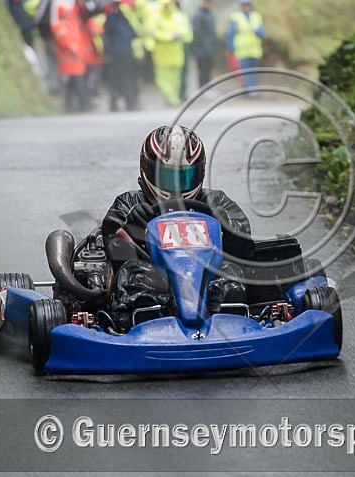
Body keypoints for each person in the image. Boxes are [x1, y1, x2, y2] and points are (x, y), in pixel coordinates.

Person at [102, 125, 250, 332]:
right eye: (167, 177)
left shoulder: (217, 202)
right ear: (147, 171)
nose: (175, 187)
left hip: (206, 275)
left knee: (230, 274)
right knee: (134, 274)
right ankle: (146, 321)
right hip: (155, 275)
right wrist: (132, 226)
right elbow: (111, 247)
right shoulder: (129, 203)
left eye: (184, 177)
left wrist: (224, 223)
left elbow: (245, 250)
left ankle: (229, 321)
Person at [145, 0, 193, 106]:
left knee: (175, 79)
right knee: (162, 78)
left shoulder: (179, 16)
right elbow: (152, 32)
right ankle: (170, 97)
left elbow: (186, 32)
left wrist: (177, 35)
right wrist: (170, 36)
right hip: (161, 55)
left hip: (176, 54)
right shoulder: (155, 17)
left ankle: (173, 97)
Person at [103, 0, 138, 110]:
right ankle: (115, 104)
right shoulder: (111, 20)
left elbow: (131, 33)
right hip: (116, 54)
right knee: (117, 79)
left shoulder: (124, 19)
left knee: (128, 78)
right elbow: (107, 33)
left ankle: (130, 103)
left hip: (126, 53)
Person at [225, 0, 264, 94]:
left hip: (255, 51)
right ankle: (249, 91)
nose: (246, 7)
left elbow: (262, 32)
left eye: (247, 5)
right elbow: (230, 34)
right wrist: (231, 48)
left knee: (254, 72)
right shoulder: (236, 17)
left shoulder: (256, 16)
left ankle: (253, 89)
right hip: (242, 51)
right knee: (246, 72)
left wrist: (257, 31)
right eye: (244, 5)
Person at [192, 0, 217, 89]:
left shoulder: (210, 14)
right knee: (203, 70)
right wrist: (201, 48)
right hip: (202, 49)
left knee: (208, 69)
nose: (209, 4)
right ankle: (203, 88)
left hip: (209, 48)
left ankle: (208, 87)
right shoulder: (198, 15)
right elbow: (197, 33)